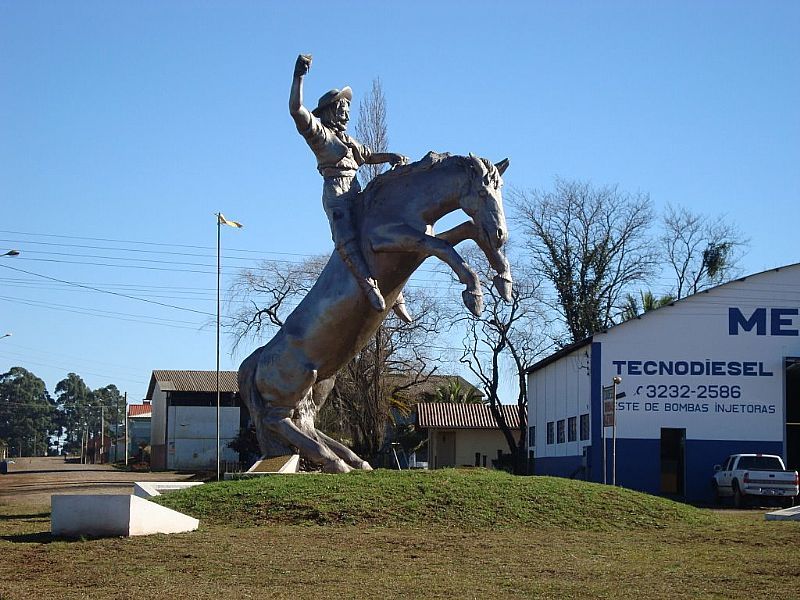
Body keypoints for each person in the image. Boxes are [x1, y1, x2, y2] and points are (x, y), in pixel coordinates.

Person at [289, 54, 411, 321]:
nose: (346, 113)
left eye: (347, 108)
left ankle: (396, 293)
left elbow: (368, 156)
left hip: (356, 190)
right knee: (348, 240)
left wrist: (390, 157)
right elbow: (297, 110)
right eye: (341, 108)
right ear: (330, 111)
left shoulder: (351, 140)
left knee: (386, 223)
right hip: (337, 195)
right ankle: (369, 286)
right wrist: (299, 76)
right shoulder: (321, 136)